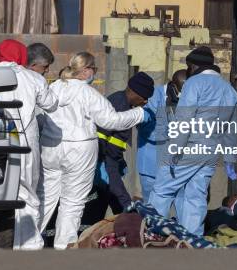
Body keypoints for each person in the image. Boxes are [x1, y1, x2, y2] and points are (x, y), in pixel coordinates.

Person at [37, 52, 151, 249]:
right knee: (71, 204)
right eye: (94, 70)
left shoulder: (53, 88)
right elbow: (111, 120)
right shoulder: (88, 93)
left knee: (44, 199)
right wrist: (138, 114)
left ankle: (29, 244)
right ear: (86, 71)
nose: (94, 73)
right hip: (79, 151)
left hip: (50, 148)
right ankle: (64, 249)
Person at [148, 46, 237, 236]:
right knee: (195, 197)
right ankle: (191, 243)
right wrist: (230, 159)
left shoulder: (194, 83)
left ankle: (153, 234)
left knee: (162, 190)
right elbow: (232, 130)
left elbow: (184, 119)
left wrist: (174, 149)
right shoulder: (230, 91)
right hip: (211, 153)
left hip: (190, 147)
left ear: (193, 65)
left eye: (188, 66)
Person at [0, 40, 58, 250]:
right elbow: (51, 103)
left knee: (0, 190)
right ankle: (29, 243)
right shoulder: (32, 77)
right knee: (27, 191)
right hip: (25, 138)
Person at [83, 72, 155, 225]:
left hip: (104, 166)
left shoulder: (119, 100)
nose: (146, 101)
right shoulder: (121, 108)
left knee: (112, 205)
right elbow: (109, 154)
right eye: (145, 97)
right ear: (136, 92)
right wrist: (127, 204)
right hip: (102, 168)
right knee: (98, 210)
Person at [137, 69, 187, 202]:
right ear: (174, 86)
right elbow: (145, 128)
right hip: (151, 166)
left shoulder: (191, 97)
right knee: (152, 211)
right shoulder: (153, 96)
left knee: (183, 211)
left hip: (179, 168)